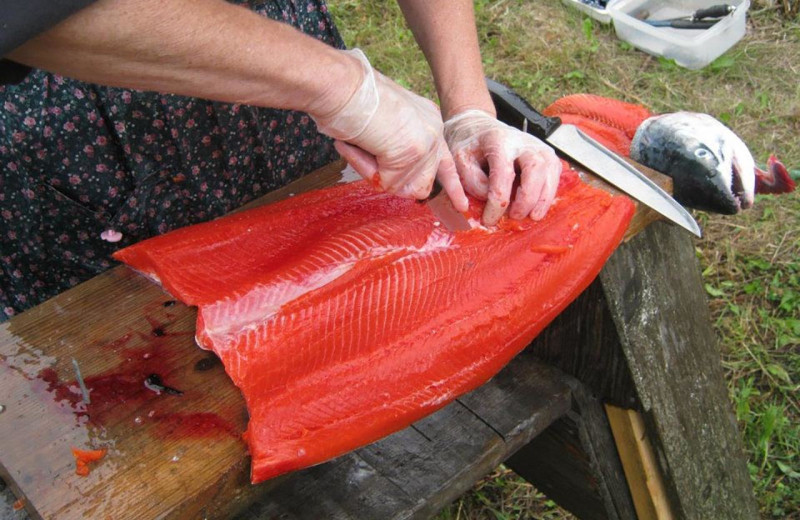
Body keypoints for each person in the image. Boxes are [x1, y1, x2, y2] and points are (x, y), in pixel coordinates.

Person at [1, 0, 561, 319]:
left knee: (329, 305)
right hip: (83, 111)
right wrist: (343, 89)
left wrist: (468, 107)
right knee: (116, 345)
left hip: (282, 62)